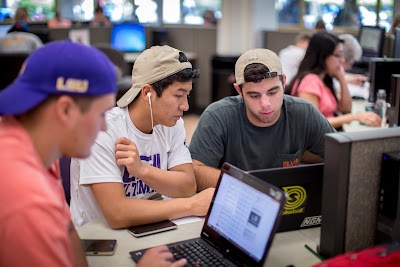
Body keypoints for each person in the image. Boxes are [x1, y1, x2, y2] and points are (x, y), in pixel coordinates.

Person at [0, 40, 186, 267]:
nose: (104, 127)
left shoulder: (34, 147)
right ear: (65, 110)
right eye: (101, 114)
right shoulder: (28, 201)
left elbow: (68, 230)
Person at [70, 45, 215, 229]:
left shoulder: (172, 122)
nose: (185, 106)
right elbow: (117, 214)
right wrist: (192, 205)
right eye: (179, 95)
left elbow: (187, 187)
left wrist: (142, 170)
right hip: (100, 242)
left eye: (188, 95)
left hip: (151, 227)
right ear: (147, 93)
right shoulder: (102, 129)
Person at [189, 48, 336, 191]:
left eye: (272, 92)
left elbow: (342, 156)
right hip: (236, 202)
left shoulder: (303, 113)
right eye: (254, 96)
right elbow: (196, 171)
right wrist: (251, 187)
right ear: (239, 91)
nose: (265, 104)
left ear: (284, 82)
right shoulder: (218, 116)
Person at [289, 31, 381, 130]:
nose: (342, 60)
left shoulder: (323, 79)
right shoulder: (310, 81)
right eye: (338, 55)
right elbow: (313, 123)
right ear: (323, 57)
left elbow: (346, 109)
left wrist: (342, 78)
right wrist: (355, 117)